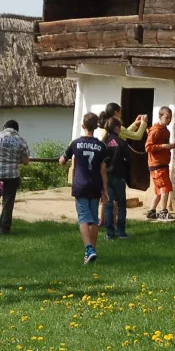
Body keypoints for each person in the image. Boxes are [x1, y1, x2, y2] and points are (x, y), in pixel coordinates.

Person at [60, 113, 108, 264]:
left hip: (80, 185)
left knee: (83, 219)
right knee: (93, 219)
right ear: (96, 126)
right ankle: (91, 252)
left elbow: (62, 160)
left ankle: (89, 249)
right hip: (95, 185)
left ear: (83, 126)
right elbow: (103, 171)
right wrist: (105, 191)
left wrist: (63, 159)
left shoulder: (75, 143)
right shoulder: (102, 146)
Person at [0, 120, 29, 234]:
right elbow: (25, 160)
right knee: (8, 202)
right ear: (17, 129)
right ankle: (4, 228)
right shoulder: (21, 140)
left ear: (4, 127)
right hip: (12, 175)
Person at [145, 106, 175, 222]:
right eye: (166, 118)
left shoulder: (166, 131)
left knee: (159, 189)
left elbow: (163, 146)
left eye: (170, 118)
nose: (169, 120)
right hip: (156, 164)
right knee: (165, 186)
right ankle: (163, 212)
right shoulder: (155, 131)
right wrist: (164, 146)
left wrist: (170, 146)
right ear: (160, 116)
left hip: (163, 163)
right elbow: (148, 147)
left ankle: (151, 211)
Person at [100, 118, 131, 240]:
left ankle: (109, 233)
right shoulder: (122, 143)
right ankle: (121, 232)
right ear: (117, 128)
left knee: (108, 205)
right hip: (119, 177)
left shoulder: (104, 142)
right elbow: (129, 160)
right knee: (121, 204)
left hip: (106, 177)